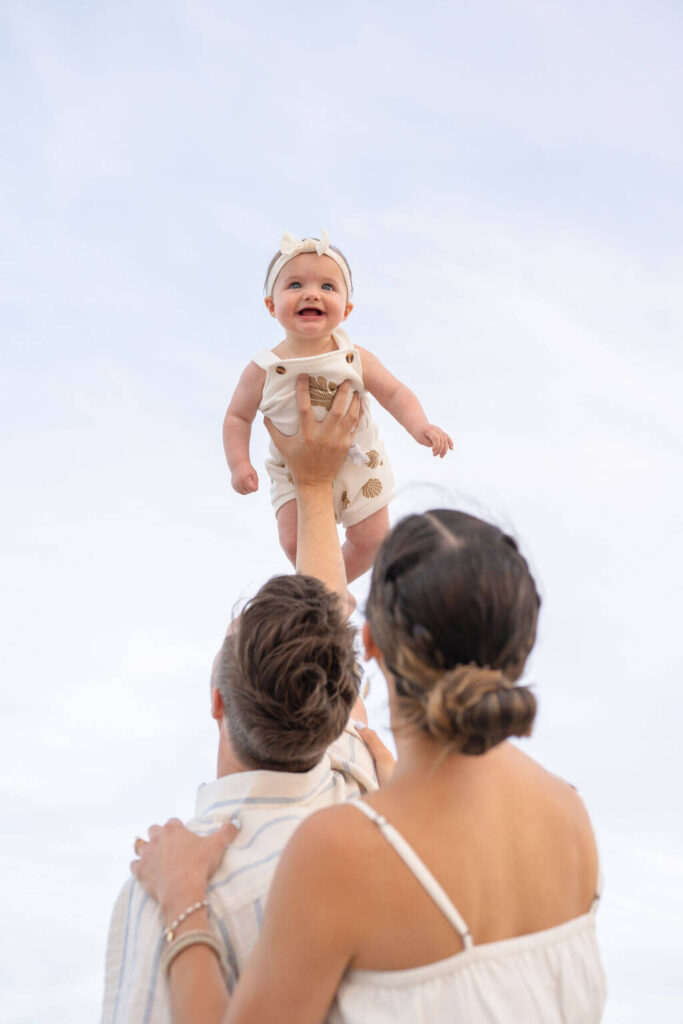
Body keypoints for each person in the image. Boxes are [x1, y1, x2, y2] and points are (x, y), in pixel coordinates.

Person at [132, 376, 606, 1023]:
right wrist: (318, 489)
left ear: (370, 646)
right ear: (519, 645)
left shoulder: (342, 853)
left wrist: (182, 897)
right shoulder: (570, 816)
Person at [100, 382, 392, 1024]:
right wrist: (315, 490)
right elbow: (328, 626)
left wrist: (182, 906)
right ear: (338, 709)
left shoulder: (168, 889)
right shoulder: (365, 800)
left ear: (215, 702)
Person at [222, 229, 453, 582]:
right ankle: (321, 587)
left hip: (360, 463)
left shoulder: (354, 357)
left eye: (327, 287)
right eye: (295, 285)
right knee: (293, 542)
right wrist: (239, 464)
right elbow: (237, 417)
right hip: (294, 468)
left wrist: (419, 425)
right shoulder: (263, 368)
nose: (311, 293)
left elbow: (394, 393)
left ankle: (334, 588)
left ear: (346, 309)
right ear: (271, 305)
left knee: (374, 541)